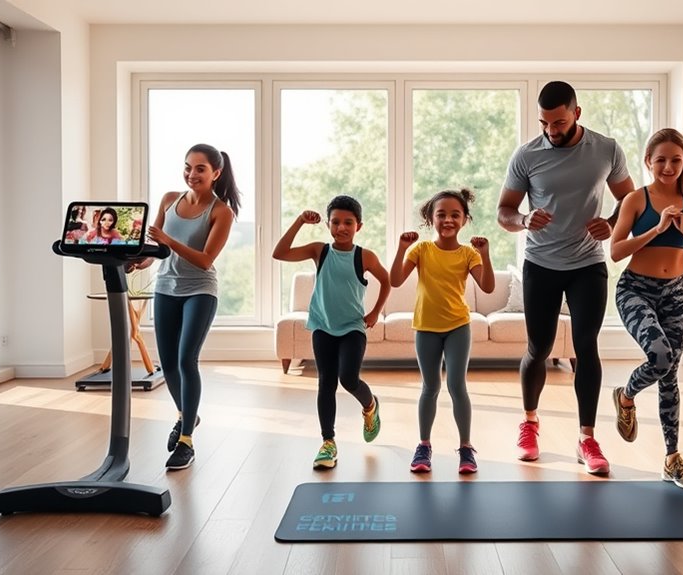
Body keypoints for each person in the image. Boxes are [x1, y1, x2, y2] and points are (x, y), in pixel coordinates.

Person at [497, 80, 635, 476]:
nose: (551, 130)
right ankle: (529, 423)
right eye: (544, 123)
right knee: (538, 348)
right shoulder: (527, 155)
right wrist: (524, 219)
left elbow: (629, 199)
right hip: (540, 263)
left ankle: (587, 438)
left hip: (587, 263)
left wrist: (611, 223)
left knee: (585, 348)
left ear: (577, 113)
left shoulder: (606, 149)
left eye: (558, 122)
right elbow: (504, 211)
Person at [608, 128, 683, 489]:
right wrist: (656, 230)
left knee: (670, 374)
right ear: (648, 162)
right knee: (659, 357)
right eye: (661, 160)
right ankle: (626, 396)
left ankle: (672, 459)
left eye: (676, 160)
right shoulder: (636, 201)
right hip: (635, 289)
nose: (668, 166)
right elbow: (616, 251)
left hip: (676, 293)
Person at [129, 143, 240, 471]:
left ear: (215, 174)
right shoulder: (168, 200)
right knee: (168, 363)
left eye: (200, 169)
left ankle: (186, 440)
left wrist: (168, 241)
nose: (192, 174)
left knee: (185, 359)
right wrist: (139, 261)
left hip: (200, 291)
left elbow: (205, 260)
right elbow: (156, 251)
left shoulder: (221, 212)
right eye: (188, 167)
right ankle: (186, 414)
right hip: (166, 288)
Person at [272, 195, 391, 470]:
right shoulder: (319, 251)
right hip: (323, 326)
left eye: (348, 222)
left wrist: (374, 313)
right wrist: (300, 221)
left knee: (348, 379)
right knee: (326, 382)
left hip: (352, 327)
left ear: (358, 226)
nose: (341, 227)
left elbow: (386, 281)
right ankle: (328, 443)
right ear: (328, 224)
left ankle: (370, 405)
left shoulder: (365, 256)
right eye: (335, 222)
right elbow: (280, 253)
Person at [390, 188, 494, 474]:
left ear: (464, 220)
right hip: (426, 327)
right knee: (430, 387)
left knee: (457, 386)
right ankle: (424, 446)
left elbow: (487, 287)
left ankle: (465, 448)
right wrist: (401, 247)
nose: (448, 220)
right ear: (430, 218)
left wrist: (486, 255)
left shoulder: (468, 253)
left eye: (454, 215)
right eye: (441, 215)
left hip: (458, 326)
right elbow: (395, 280)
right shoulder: (421, 250)